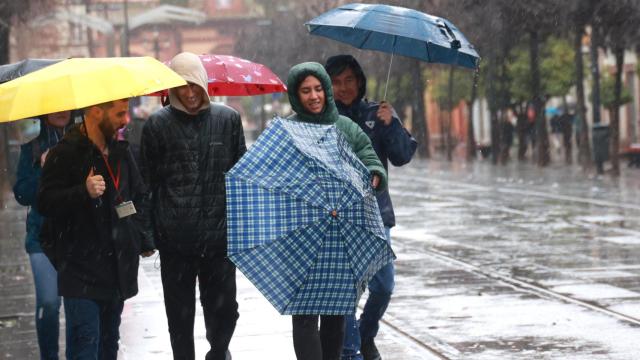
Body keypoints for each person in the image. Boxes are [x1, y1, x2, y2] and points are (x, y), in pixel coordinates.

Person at [139, 52, 246, 360]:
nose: (189, 93)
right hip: (176, 241)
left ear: (204, 84)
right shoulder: (157, 126)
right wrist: (147, 236)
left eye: (195, 85)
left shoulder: (227, 119)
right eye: (183, 86)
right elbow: (147, 184)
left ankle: (218, 350)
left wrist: (244, 229)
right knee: (180, 318)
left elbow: (241, 177)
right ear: (173, 88)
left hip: (220, 238)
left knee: (226, 310)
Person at [37, 99, 155, 359]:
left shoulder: (121, 151)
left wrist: (142, 239)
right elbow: (45, 202)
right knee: (85, 347)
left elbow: (138, 195)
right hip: (81, 271)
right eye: (120, 113)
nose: (126, 120)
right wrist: (83, 191)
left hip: (116, 270)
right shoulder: (65, 153)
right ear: (96, 112)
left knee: (108, 346)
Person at [286, 61, 388, 360]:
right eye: (306, 91)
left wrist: (375, 174)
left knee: (334, 314)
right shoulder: (288, 130)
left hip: (339, 232)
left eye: (318, 89)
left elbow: (370, 157)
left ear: (326, 91)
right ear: (295, 94)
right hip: (302, 234)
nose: (314, 96)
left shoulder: (346, 127)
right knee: (305, 315)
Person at [324, 55, 417, 360]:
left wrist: (390, 126)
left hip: (376, 213)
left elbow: (402, 156)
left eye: (349, 80)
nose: (343, 88)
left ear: (360, 81)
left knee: (384, 285)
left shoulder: (377, 114)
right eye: (336, 82)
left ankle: (365, 335)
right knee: (348, 290)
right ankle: (351, 352)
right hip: (338, 216)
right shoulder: (323, 119)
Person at [13, 111, 74, 360]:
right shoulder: (33, 146)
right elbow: (22, 194)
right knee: (49, 304)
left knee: (76, 305)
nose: (61, 112)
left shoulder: (83, 141)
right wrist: (43, 169)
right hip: (41, 237)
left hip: (76, 236)